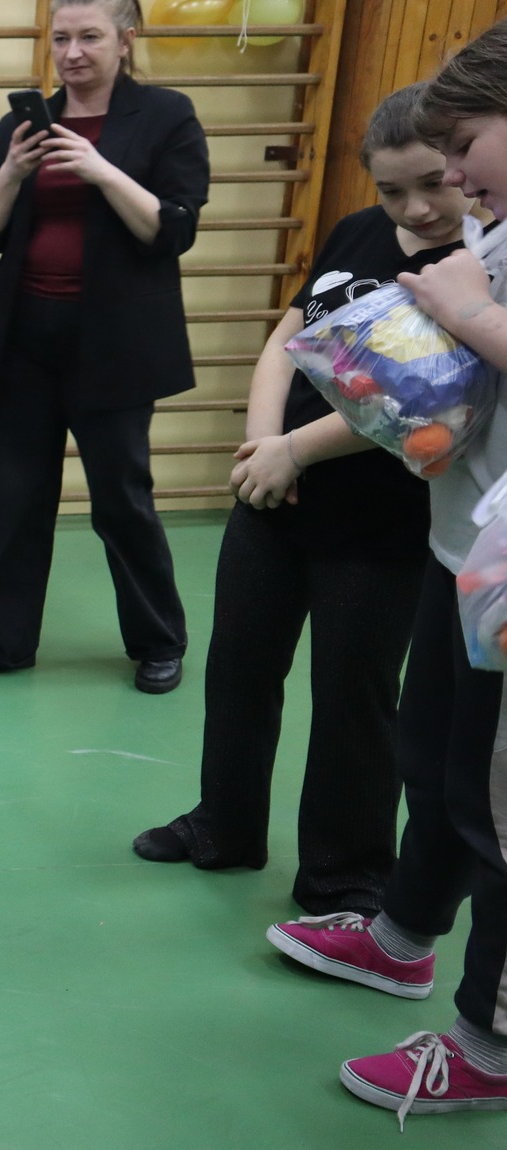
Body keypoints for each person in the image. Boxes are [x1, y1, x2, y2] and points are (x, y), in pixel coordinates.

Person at [132, 86, 465, 915]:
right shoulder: (356, 232)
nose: (415, 209)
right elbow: (288, 339)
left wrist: (295, 449)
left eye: (433, 184)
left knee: (354, 697)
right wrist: (262, 444)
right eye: (393, 190)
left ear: (463, 165)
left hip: (379, 524)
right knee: (239, 669)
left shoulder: (475, 268)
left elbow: (424, 403)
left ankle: (344, 872)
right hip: (277, 496)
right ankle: (224, 825)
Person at [264, 26, 507, 1124]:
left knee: (495, 810)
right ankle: (402, 939)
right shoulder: (488, 227)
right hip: (464, 552)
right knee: (438, 766)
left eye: (462, 146)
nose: (449, 174)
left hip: (500, 579)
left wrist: (462, 312)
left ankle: (487, 1044)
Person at [0, 0, 208, 694]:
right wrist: (12, 169)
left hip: (115, 342)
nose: (73, 52)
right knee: (16, 498)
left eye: (90, 36)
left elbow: (172, 230)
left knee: (121, 499)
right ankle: (0, 640)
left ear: (126, 39)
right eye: (61, 38)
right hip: (25, 337)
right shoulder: (24, 124)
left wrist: (100, 169)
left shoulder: (166, 115)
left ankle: (158, 640)